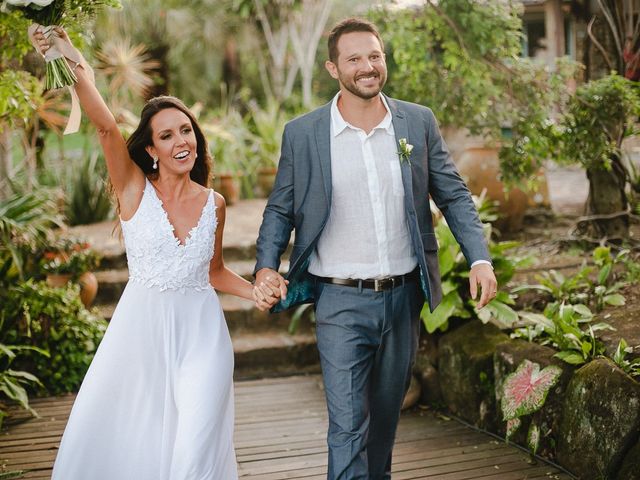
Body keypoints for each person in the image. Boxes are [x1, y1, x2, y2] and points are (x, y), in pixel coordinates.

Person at [254, 17, 498, 480]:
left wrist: (479, 258)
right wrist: (266, 267)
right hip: (339, 301)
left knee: (384, 424)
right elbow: (279, 210)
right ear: (333, 68)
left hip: (403, 297)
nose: (367, 67)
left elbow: (453, 194)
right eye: (354, 59)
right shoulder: (304, 134)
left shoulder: (417, 121)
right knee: (348, 427)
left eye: (374, 56)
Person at [31, 27, 276, 479]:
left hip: (203, 339)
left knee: (196, 449)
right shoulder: (133, 191)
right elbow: (105, 126)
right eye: (167, 135)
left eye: (186, 130)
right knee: (133, 442)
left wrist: (256, 290)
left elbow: (215, 272)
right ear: (151, 149)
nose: (182, 141)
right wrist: (71, 57)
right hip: (140, 337)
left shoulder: (214, 204)